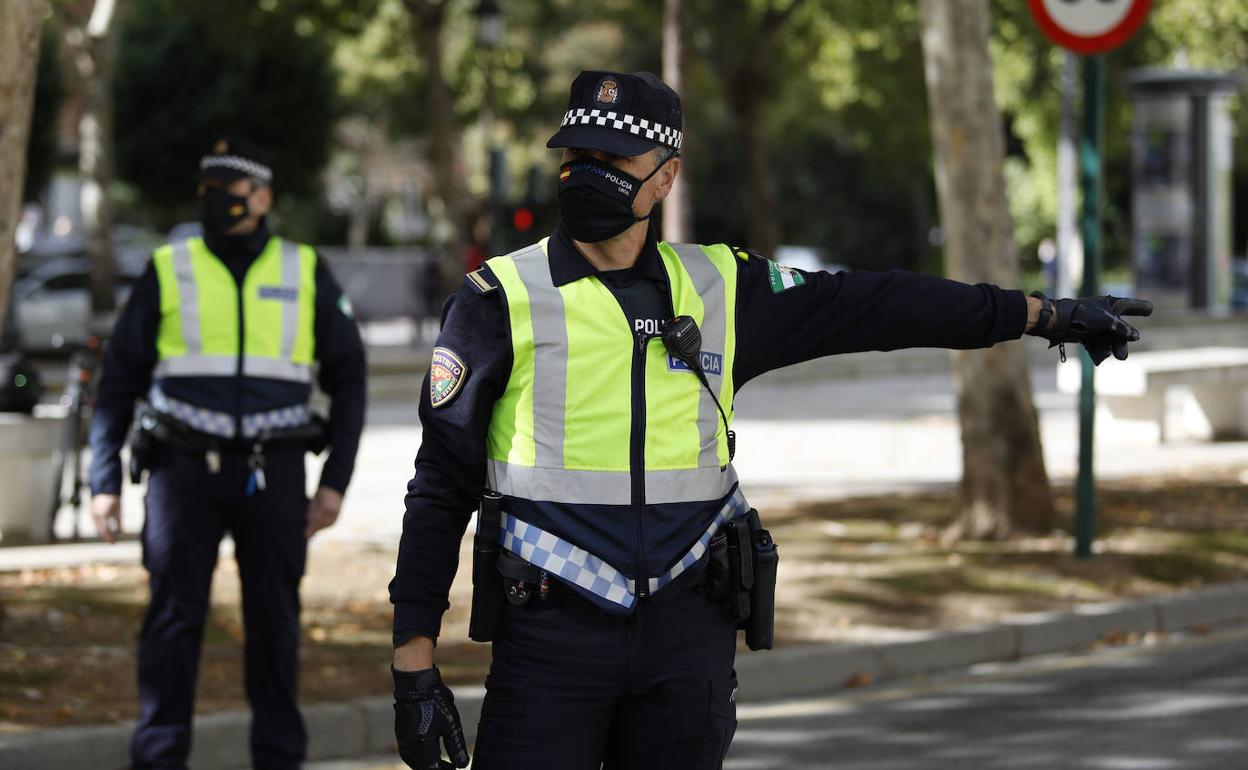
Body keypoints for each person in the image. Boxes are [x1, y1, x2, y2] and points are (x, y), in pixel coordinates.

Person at [388, 71, 1150, 770]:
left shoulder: (722, 287)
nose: (588, 172)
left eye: (615, 159)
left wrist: (1044, 315)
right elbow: (439, 489)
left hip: (687, 641)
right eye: (577, 153)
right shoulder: (496, 299)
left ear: (666, 177)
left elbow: (879, 304)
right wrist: (413, 665)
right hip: (551, 638)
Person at [87, 137, 367, 770]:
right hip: (182, 470)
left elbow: (350, 375)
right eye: (206, 193)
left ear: (262, 198)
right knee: (171, 624)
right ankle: (157, 760)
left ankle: (278, 758)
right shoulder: (170, 267)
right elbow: (119, 381)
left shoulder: (303, 269)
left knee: (275, 625)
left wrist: (336, 481)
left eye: (229, 195)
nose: (215, 204)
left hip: (275, 469)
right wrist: (103, 478)